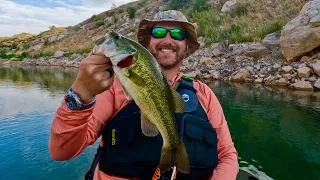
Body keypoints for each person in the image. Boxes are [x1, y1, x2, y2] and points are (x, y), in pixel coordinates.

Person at [49, 10, 239, 180]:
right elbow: (61, 151)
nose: (167, 39)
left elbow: (227, 155)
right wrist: (81, 94)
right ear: (147, 42)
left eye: (178, 34)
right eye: (158, 32)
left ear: (187, 46)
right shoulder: (112, 87)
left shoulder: (204, 94)